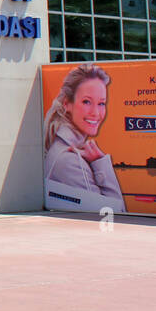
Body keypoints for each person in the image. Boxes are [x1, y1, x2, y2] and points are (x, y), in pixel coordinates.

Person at [43, 63, 125, 211]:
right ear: (67, 104)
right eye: (86, 101)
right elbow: (114, 213)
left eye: (101, 103)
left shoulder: (64, 147)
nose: (96, 113)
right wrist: (101, 163)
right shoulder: (71, 160)